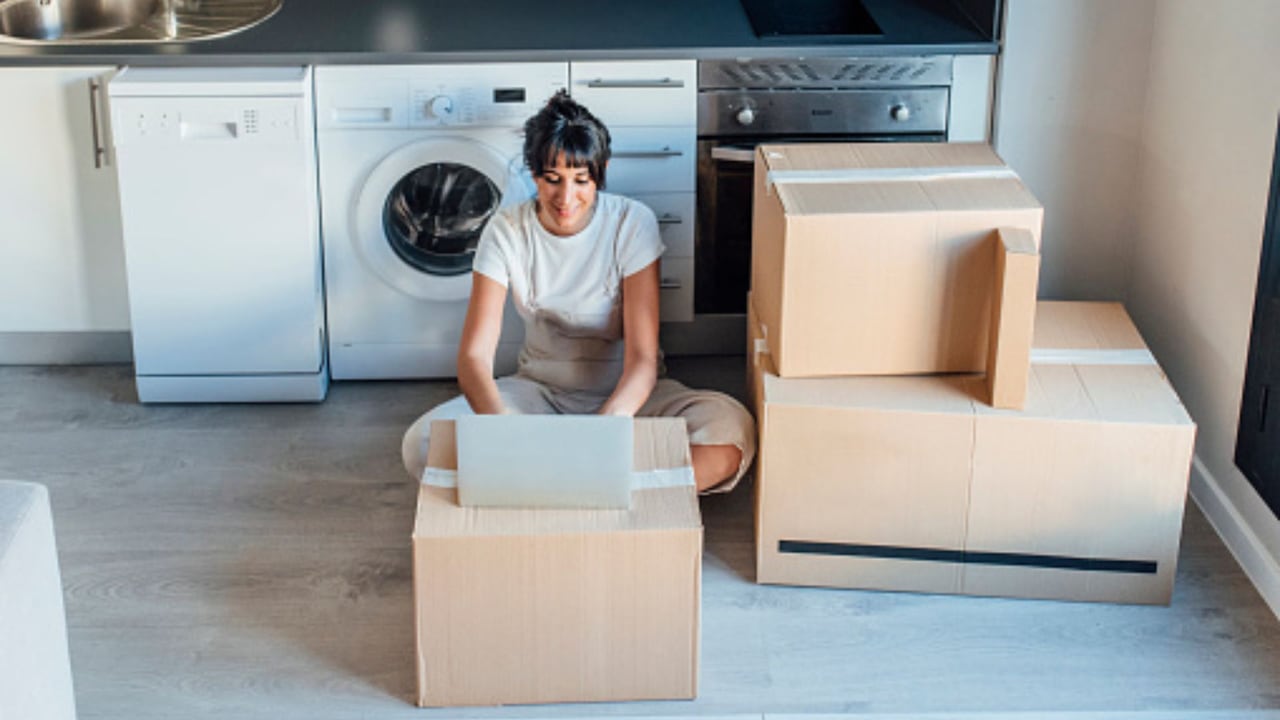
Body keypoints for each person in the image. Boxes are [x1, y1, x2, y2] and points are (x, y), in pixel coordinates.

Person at [402, 91, 755, 492]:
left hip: (629, 401)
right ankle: (605, 488)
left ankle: (555, 488)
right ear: (534, 174)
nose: (566, 198)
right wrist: (502, 429)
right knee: (423, 443)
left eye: (580, 181)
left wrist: (603, 434)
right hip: (538, 395)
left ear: (600, 172)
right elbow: (473, 356)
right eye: (552, 180)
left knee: (731, 432)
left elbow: (642, 360)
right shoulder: (506, 229)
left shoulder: (631, 222)